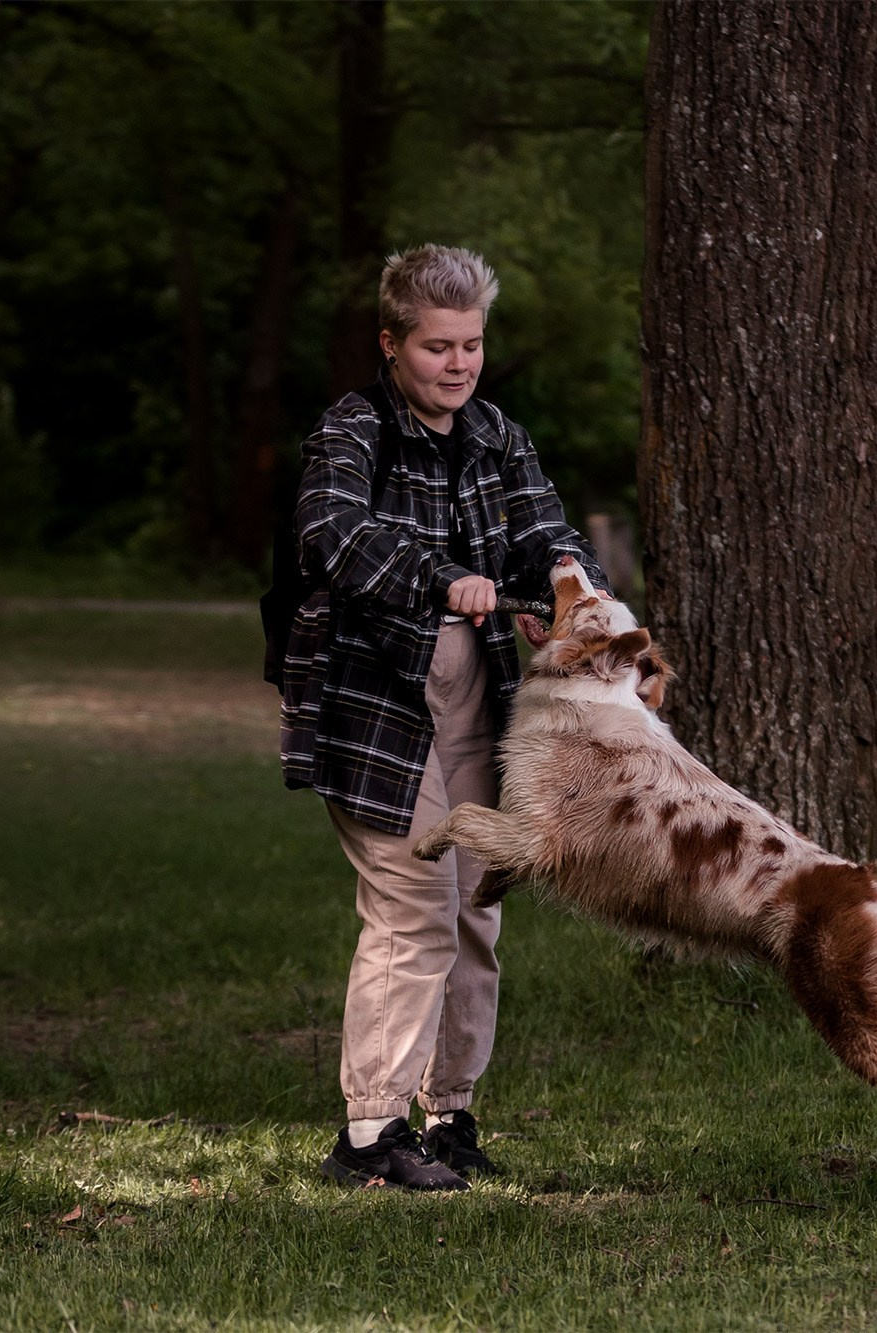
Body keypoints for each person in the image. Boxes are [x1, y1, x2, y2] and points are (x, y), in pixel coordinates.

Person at [279, 244, 611, 1191]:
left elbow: (546, 530)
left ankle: (448, 1115)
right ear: (391, 343)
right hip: (375, 713)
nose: (458, 364)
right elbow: (333, 533)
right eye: (437, 347)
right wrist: (443, 576)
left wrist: (571, 582)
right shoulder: (353, 430)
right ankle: (369, 1133)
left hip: (478, 709)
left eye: (471, 344)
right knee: (413, 908)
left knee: (474, 908)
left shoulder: (496, 435)